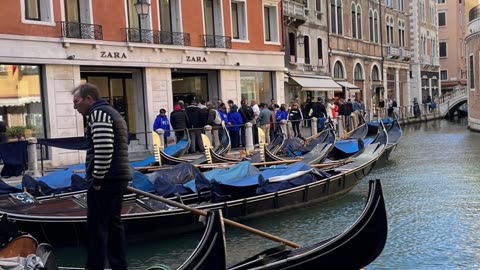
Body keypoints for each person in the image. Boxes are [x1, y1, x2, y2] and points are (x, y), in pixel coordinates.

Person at [72, 83, 130, 270]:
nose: (75, 107)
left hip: (106, 179)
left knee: (97, 228)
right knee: (114, 225)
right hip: (118, 177)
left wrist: (97, 180)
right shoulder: (113, 113)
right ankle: (119, 267)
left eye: (77, 101)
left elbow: (104, 149)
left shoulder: (98, 114)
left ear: (89, 99)